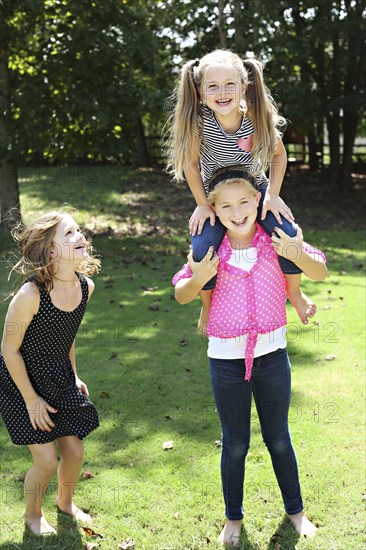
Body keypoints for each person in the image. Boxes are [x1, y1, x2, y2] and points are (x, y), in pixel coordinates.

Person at [172, 166, 327, 547]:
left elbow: (320, 270)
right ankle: (233, 519)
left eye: (244, 202)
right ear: (214, 209)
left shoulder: (273, 241)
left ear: (258, 201)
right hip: (225, 361)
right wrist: (197, 277)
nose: (237, 211)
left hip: (272, 355)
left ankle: (295, 512)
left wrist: (296, 253)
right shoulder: (211, 250)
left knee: (278, 438)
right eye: (226, 206)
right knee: (236, 442)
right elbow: (181, 292)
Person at [166, 48, 316, 335]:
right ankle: (207, 306)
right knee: (201, 249)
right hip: (216, 193)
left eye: (229, 84)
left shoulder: (257, 118)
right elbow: (192, 166)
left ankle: (295, 292)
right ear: (200, 91)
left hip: (255, 187)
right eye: (213, 86)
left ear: (243, 87)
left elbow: (278, 157)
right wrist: (201, 204)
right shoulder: (199, 124)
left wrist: (272, 194)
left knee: (286, 232)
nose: (222, 92)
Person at [0, 211, 100, 535]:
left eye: (79, 230)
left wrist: (74, 375)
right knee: (46, 461)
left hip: (57, 376)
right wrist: (30, 399)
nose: (80, 236)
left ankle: (65, 502)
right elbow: (8, 349)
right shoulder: (30, 296)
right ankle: (32, 515)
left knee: (74, 450)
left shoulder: (87, 288)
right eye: (69, 233)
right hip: (21, 381)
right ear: (52, 251)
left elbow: (66, 337)